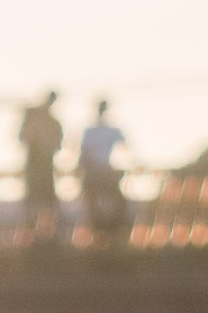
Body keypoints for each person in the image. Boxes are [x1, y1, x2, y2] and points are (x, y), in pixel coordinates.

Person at [76, 97, 127, 248]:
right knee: (99, 203)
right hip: (101, 172)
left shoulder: (92, 131)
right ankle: (108, 232)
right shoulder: (106, 130)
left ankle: (105, 232)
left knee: (97, 203)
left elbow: (83, 155)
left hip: (100, 172)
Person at [18, 91, 64, 247]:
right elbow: (23, 138)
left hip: (45, 168)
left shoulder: (52, 122)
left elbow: (57, 145)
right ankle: (30, 233)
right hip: (34, 168)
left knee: (47, 201)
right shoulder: (33, 119)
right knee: (33, 200)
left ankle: (48, 232)